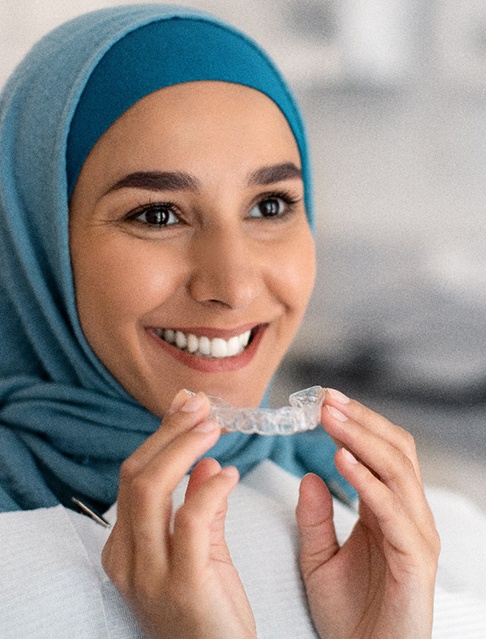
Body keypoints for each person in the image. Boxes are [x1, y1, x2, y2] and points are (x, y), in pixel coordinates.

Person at [2, 4, 481, 638]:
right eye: (156, 215)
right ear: (36, 243)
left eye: (270, 204)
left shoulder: (408, 537)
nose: (232, 286)